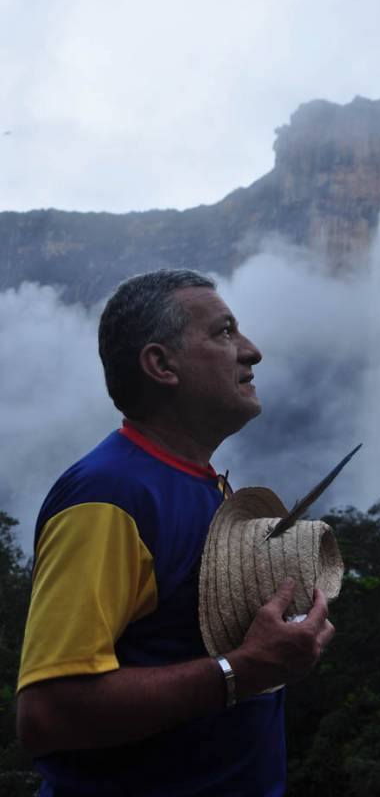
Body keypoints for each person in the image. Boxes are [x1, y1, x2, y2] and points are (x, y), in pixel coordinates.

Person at [17, 268, 335, 797]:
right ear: (161, 365)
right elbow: (47, 713)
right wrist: (244, 669)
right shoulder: (110, 495)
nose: (252, 351)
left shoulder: (204, 486)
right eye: (225, 332)